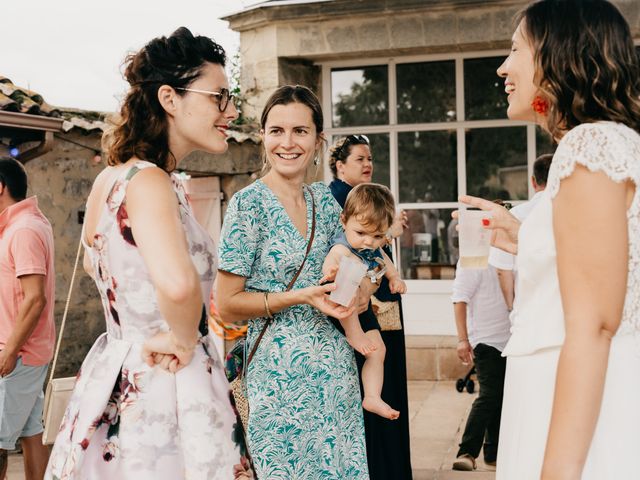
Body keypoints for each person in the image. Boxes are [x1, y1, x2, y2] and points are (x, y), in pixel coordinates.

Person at [45, 27, 246, 479]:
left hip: (115, 371)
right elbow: (177, 284)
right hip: (165, 384)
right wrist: (181, 339)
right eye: (220, 97)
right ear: (170, 98)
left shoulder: (109, 181)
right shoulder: (151, 182)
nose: (231, 111)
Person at [458, 1, 640, 478]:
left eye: (515, 48)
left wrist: (558, 470)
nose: (502, 66)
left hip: (580, 401)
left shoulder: (589, 146)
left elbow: (594, 323)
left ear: (558, 56)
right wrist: (526, 234)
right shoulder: (611, 143)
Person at [216, 85, 369, 479]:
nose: (288, 143)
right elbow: (228, 303)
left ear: (318, 141)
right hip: (275, 380)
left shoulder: (327, 200)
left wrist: (360, 291)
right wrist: (299, 297)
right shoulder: (247, 204)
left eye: (300, 131)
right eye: (276, 131)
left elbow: (352, 268)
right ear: (263, 137)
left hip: (335, 375)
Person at [329, 135, 413, 480]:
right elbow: (345, 276)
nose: (367, 164)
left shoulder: (371, 203)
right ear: (340, 165)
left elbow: (378, 258)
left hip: (375, 308)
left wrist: (389, 271)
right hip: (357, 310)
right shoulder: (340, 202)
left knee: (380, 360)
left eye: (370, 159)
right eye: (359, 158)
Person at [322, 183, 406, 419]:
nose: (369, 242)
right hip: (343, 308)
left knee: (379, 350)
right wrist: (331, 271)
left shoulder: (372, 246)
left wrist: (394, 277)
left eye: (378, 236)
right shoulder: (343, 246)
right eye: (361, 233)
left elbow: (384, 260)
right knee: (348, 268)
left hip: (362, 309)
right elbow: (333, 259)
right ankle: (354, 333)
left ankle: (372, 396)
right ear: (344, 220)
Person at [0, 159, 54, 480]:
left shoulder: (24, 230)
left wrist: (8, 352)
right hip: (21, 353)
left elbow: (35, 297)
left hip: (16, 354)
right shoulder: (23, 225)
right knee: (32, 433)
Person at [451, 263, 510, 471]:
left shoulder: (514, 252)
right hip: (486, 340)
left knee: (501, 397)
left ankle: (493, 454)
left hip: (513, 338)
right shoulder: (474, 258)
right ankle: (466, 452)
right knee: (489, 395)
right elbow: (459, 300)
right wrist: (462, 339)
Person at [489, 153, 552, 309]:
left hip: (527, 304)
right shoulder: (574, 214)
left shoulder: (515, 215)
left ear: (533, 181)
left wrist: (511, 306)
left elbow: (503, 271)